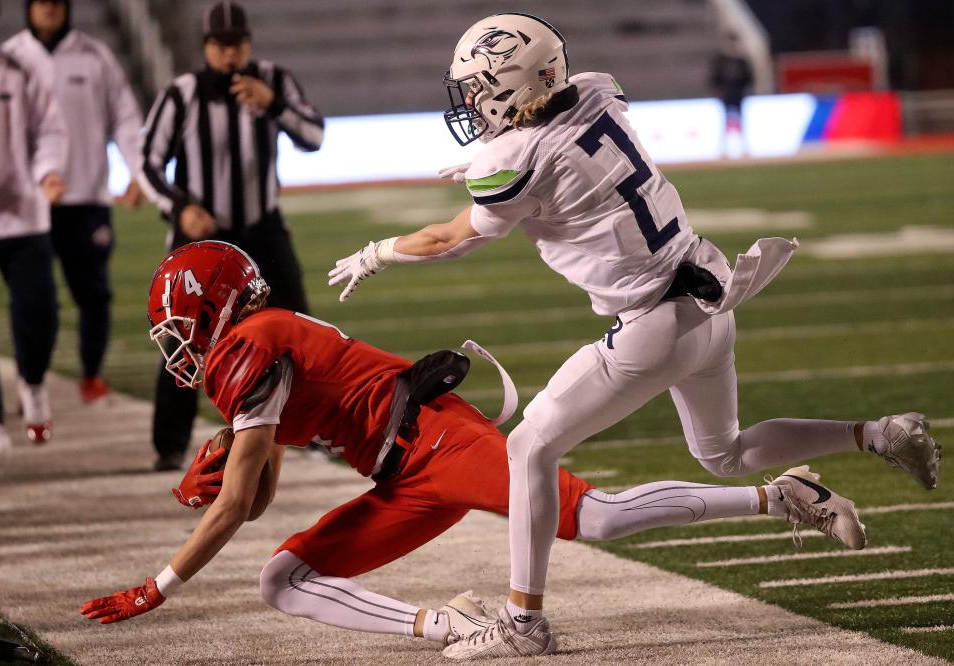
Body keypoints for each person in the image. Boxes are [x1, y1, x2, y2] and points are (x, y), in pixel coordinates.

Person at [326, 13, 943, 659]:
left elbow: (449, 240)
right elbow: (558, 151)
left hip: (652, 326)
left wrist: (378, 251)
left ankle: (523, 623)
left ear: (509, 84)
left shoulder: (512, 159)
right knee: (724, 454)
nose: (473, 101)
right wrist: (496, 163)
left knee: (529, 449)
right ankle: (878, 434)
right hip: (709, 297)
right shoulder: (598, 90)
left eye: (480, 87)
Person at [81, 241, 867, 651]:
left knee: (588, 518)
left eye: (178, 330)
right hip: (403, 475)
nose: (176, 349)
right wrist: (223, 466)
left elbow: (232, 510)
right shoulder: (260, 346)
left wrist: (157, 586)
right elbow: (254, 502)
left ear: (212, 312)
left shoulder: (248, 348)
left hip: (436, 439)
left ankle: (780, 493)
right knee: (283, 577)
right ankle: (447, 625)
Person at [138, 0, 323, 472]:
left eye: (237, 43)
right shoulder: (182, 93)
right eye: (221, 45)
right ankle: (170, 445)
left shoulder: (273, 80)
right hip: (202, 240)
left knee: (299, 328)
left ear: (248, 43)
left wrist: (274, 104)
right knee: (183, 336)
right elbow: (147, 161)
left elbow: (315, 135)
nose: (230, 54)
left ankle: (318, 427)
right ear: (206, 48)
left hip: (262, 227)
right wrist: (181, 209)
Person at [2, 0, 146, 406]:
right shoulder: (12, 58)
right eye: (41, 2)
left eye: (56, 1)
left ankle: (91, 375)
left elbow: (126, 117)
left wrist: (138, 171)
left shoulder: (94, 55)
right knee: (30, 298)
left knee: (94, 293)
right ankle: (32, 380)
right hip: (28, 202)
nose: (49, 9)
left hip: (86, 197)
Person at [0, 0, 66, 450]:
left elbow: (51, 129)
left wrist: (48, 171)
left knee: (40, 314)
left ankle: (34, 382)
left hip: (24, 215)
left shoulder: (18, 68)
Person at [709, 32, 753, 158]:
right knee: (725, 121)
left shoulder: (741, 60)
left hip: (739, 94)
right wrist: (718, 91)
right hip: (726, 94)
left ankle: (744, 147)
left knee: (740, 120)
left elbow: (749, 77)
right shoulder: (721, 60)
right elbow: (715, 77)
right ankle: (724, 148)